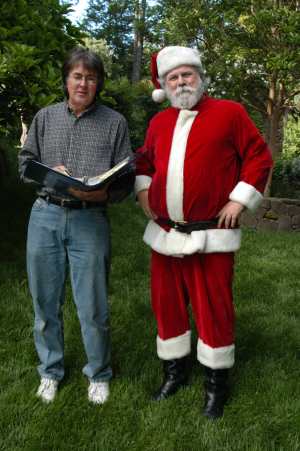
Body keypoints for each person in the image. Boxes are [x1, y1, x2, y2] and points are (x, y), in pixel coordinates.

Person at [135, 46, 273, 419]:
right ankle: (174, 372)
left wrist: (238, 201)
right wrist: (144, 188)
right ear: (164, 84)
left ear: (200, 77)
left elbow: (259, 156)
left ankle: (215, 384)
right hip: (165, 234)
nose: (181, 82)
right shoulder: (159, 123)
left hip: (211, 235)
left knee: (213, 307)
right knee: (168, 305)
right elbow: (145, 160)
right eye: (173, 77)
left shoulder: (229, 113)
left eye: (187, 75)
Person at [19, 47, 133, 404]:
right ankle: (50, 370)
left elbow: (127, 177)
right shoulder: (45, 117)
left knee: (93, 304)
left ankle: (98, 373)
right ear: (66, 80)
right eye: (77, 76)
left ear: (98, 83)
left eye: (91, 77)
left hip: (90, 218)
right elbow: (25, 165)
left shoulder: (115, 123)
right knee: (44, 301)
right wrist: (51, 173)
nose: (83, 83)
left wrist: (106, 194)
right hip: (45, 214)